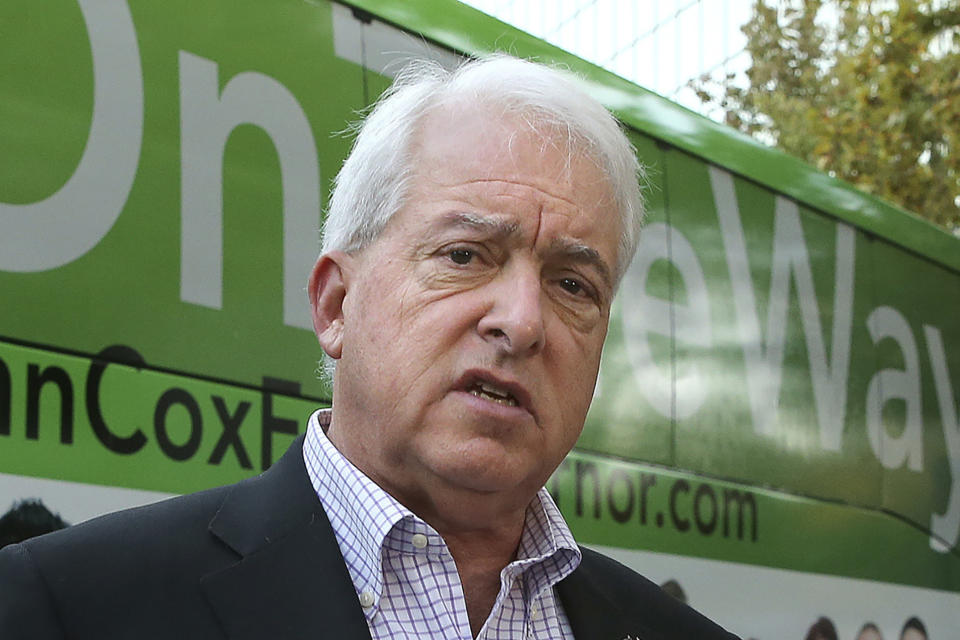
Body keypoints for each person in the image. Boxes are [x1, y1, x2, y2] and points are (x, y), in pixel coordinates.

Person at [0, 55, 738, 639]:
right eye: (464, 255)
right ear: (336, 304)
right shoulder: (63, 606)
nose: (522, 321)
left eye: (573, 285)